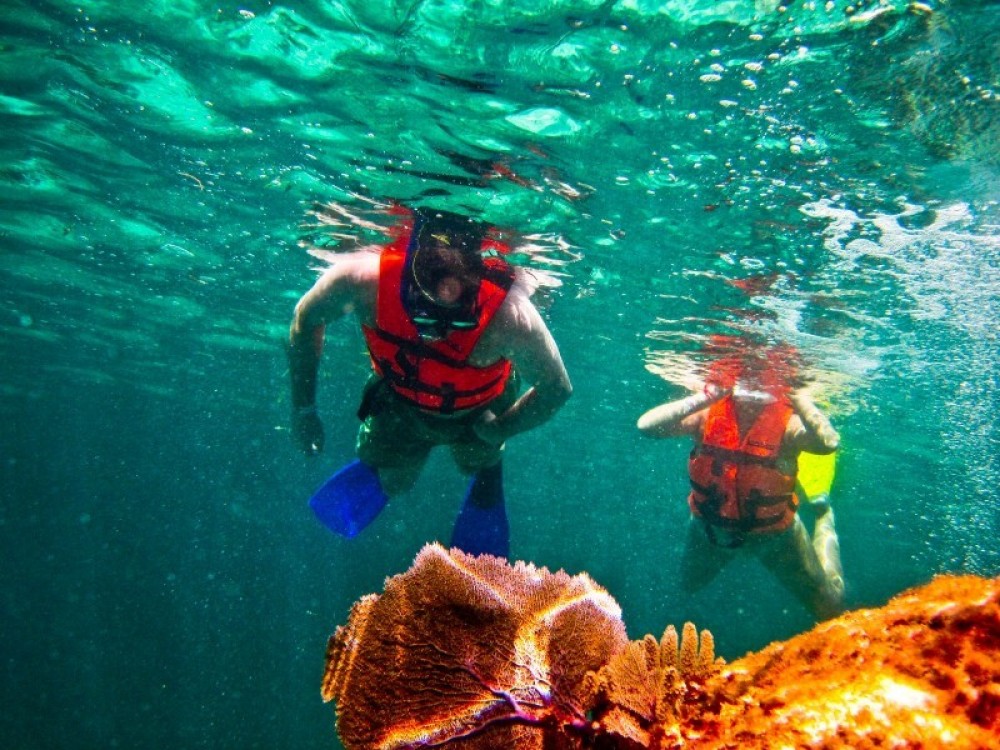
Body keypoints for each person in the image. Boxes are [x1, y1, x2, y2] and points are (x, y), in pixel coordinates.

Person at [287, 206, 572, 558]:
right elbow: (305, 320)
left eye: (454, 315)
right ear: (408, 272)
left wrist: (501, 430)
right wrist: (304, 407)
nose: (436, 330)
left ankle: (486, 469)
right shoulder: (361, 281)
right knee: (394, 478)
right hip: (399, 397)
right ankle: (462, 460)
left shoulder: (510, 317)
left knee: (475, 457)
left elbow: (557, 389)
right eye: (424, 308)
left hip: (480, 409)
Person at [637, 375, 845, 620]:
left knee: (830, 604)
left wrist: (800, 399)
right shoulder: (706, 415)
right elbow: (646, 426)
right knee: (687, 586)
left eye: (763, 379)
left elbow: (829, 442)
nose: (753, 391)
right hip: (711, 532)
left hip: (776, 537)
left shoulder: (787, 423)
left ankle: (823, 513)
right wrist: (704, 397)